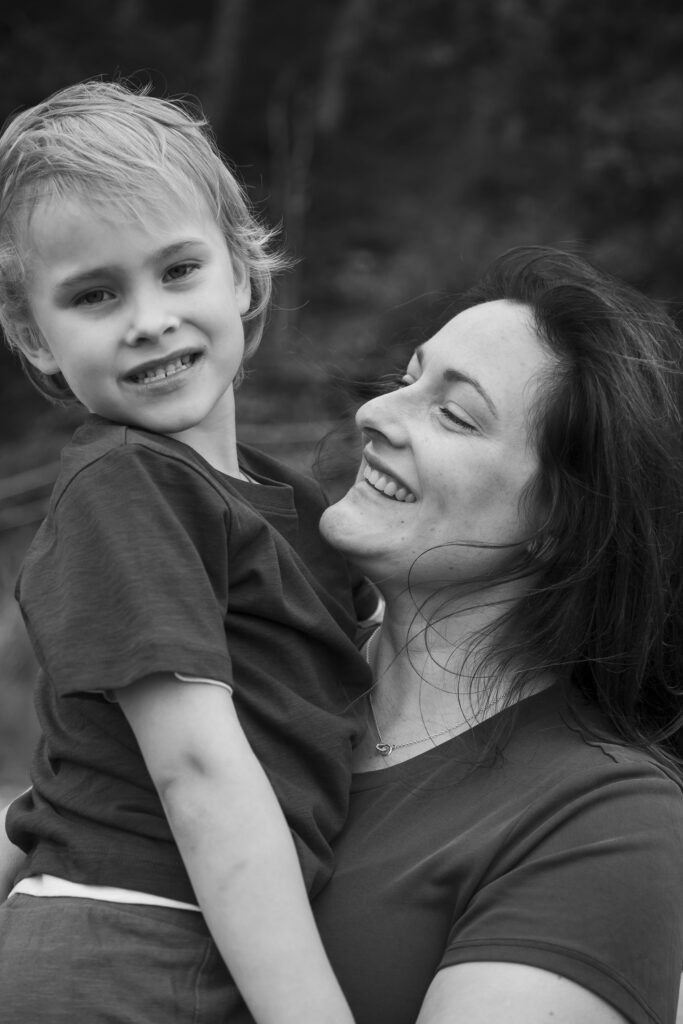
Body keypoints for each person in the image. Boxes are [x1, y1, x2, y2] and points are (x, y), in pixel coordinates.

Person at [0, 80, 378, 1024]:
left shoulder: (295, 504)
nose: (148, 319)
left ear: (242, 275)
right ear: (33, 336)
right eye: (94, 294)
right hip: (125, 946)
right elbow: (196, 773)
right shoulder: (124, 485)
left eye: (177, 270)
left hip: (223, 935)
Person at [312, 246, 683, 1024]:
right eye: (406, 378)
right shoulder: (259, 671)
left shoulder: (604, 821)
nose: (375, 414)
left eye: (452, 413)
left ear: (561, 520)